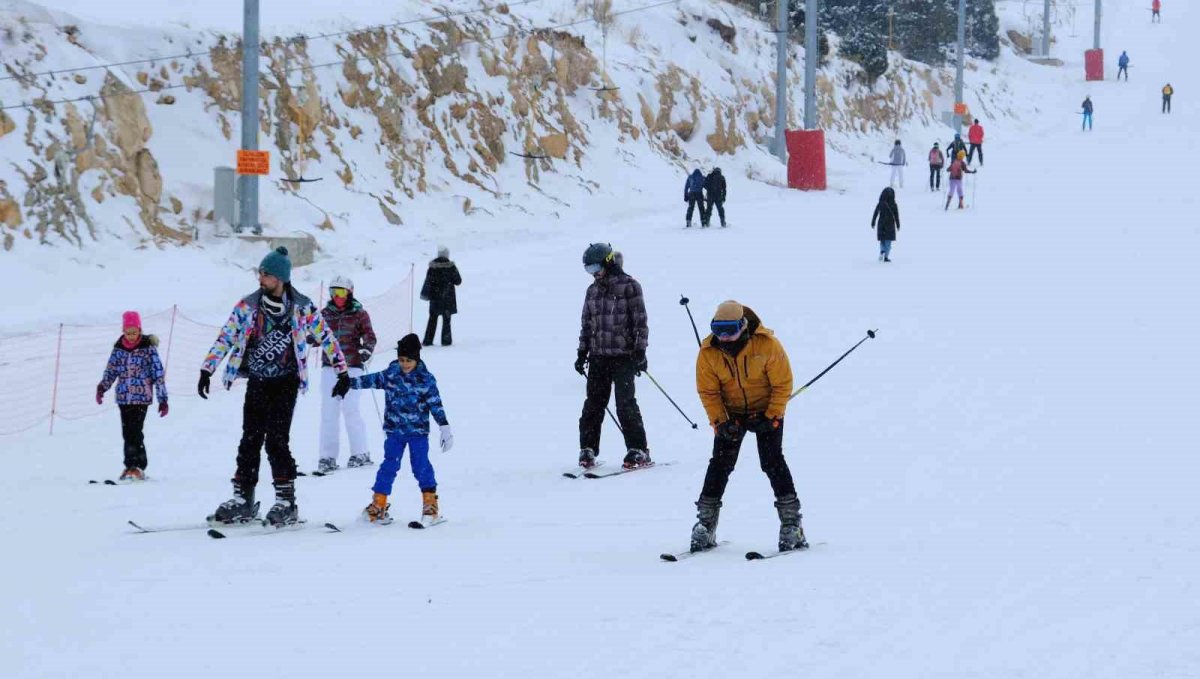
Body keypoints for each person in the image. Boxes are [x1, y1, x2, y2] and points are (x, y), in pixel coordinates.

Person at [199, 247, 349, 527]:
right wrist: (207, 368)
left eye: (266, 275)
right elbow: (226, 336)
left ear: (280, 278)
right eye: (260, 273)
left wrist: (342, 370)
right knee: (250, 439)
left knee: (277, 441)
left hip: (286, 382)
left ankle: (286, 501)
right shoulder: (248, 306)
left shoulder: (301, 307)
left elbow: (325, 336)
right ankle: (243, 497)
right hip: (258, 381)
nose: (261, 279)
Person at [690, 300, 806, 553]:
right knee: (720, 464)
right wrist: (721, 422)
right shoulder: (708, 352)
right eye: (718, 330)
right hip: (730, 414)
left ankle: (792, 524)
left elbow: (782, 384)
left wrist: (772, 416)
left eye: (730, 329)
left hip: (765, 410)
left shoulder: (767, 345)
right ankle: (705, 524)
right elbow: (708, 391)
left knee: (772, 461)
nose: (724, 337)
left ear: (743, 326)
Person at [335, 334, 452, 527]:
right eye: (401, 360)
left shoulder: (425, 379)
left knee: (421, 466)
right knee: (388, 467)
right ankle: (378, 505)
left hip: (417, 433)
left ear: (417, 359)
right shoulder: (392, 373)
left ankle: (430, 506)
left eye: (409, 360)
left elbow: (435, 404)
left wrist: (444, 426)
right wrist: (347, 383)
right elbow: (371, 380)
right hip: (394, 432)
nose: (405, 364)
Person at [575, 243, 651, 470]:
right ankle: (588, 448)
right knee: (593, 405)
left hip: (624, 356)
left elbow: (641, 322)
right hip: (598, 356)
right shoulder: (592, 291)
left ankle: (638, 449)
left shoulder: (630, 286)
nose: (593, 274)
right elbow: (587, 324)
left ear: (608, 262)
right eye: (588, 270)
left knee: (625, 404)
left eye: (595, 267)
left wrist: (640, 351)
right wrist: (582, 352)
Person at [96, 311, 168, 482]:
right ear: (123, 331)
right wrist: (102, 388)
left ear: (140, 330)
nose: (131, 336)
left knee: (135, 431)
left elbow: (158, 373)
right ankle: (130, 466)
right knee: (127, 432)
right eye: (128, 332)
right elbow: (111, 371)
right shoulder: (118, 349)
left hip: (142, 397)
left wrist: (163, 399)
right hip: (123, 397)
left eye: (134, 332)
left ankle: (137, 466)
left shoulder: (147, 348)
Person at [317, 275, 377, 474]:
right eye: (334, 292)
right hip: (330, 367)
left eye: (341, 292)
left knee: (351, 408)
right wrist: (311, 337)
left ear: (350, 292)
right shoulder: (325, 313)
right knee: (329, 412)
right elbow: (316, 333)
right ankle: (327, 457)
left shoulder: (359, 314)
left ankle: (360, 453)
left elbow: (370, 336)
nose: (337, 296)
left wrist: (366, 350)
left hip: (352, 366)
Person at [420, 246, 462, 347]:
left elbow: (428, 282)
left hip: (435, 299)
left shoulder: (432, 267)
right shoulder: (451, 267)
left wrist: (426, 294)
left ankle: (428, 340)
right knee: (446, 321)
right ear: (447, 254)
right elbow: (458, 281)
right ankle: (446, 341)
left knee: (432, 320)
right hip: (448, 299)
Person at [872, 187, 900, 262]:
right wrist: (898, 224)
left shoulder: (880, 203)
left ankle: (882, 251)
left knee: (882, 240)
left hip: (881, 223)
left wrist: (873, 222)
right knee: (888, 242)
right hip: (890, 224)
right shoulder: (894, 204)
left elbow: (876, 213)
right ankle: (886, 257)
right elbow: (896, 215)